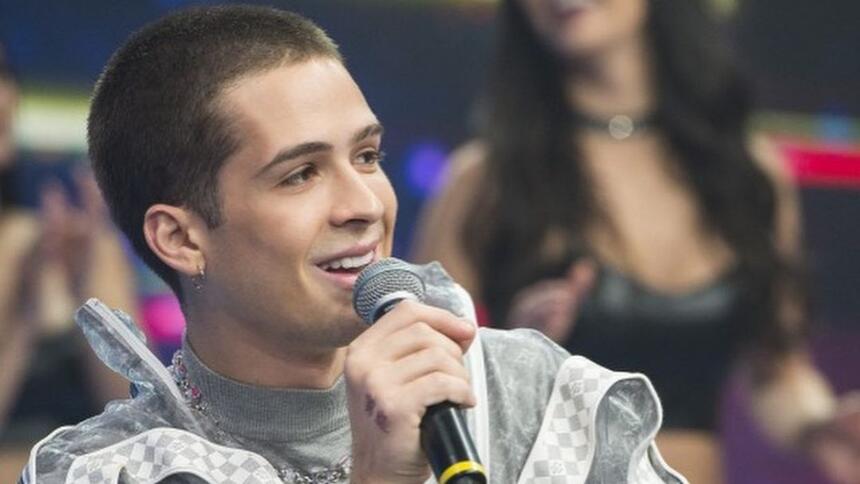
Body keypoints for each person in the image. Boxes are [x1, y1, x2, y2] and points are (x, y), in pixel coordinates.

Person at [21, 5, 688, 483]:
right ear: (181, 238)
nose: (366, 204)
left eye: (367, 156)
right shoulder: (116, 469)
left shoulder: (528, 396)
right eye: (300, 174)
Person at [412, 1, 860, 483]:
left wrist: (819, 426)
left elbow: (780, 373)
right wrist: (515, 357)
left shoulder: (750, 176)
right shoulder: (485, 181)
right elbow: (421, 379)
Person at [0, 47, 136, 480]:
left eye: (5, 73)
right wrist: (21, 318)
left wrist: (86, 293)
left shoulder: (64, 240)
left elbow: (139, 410)